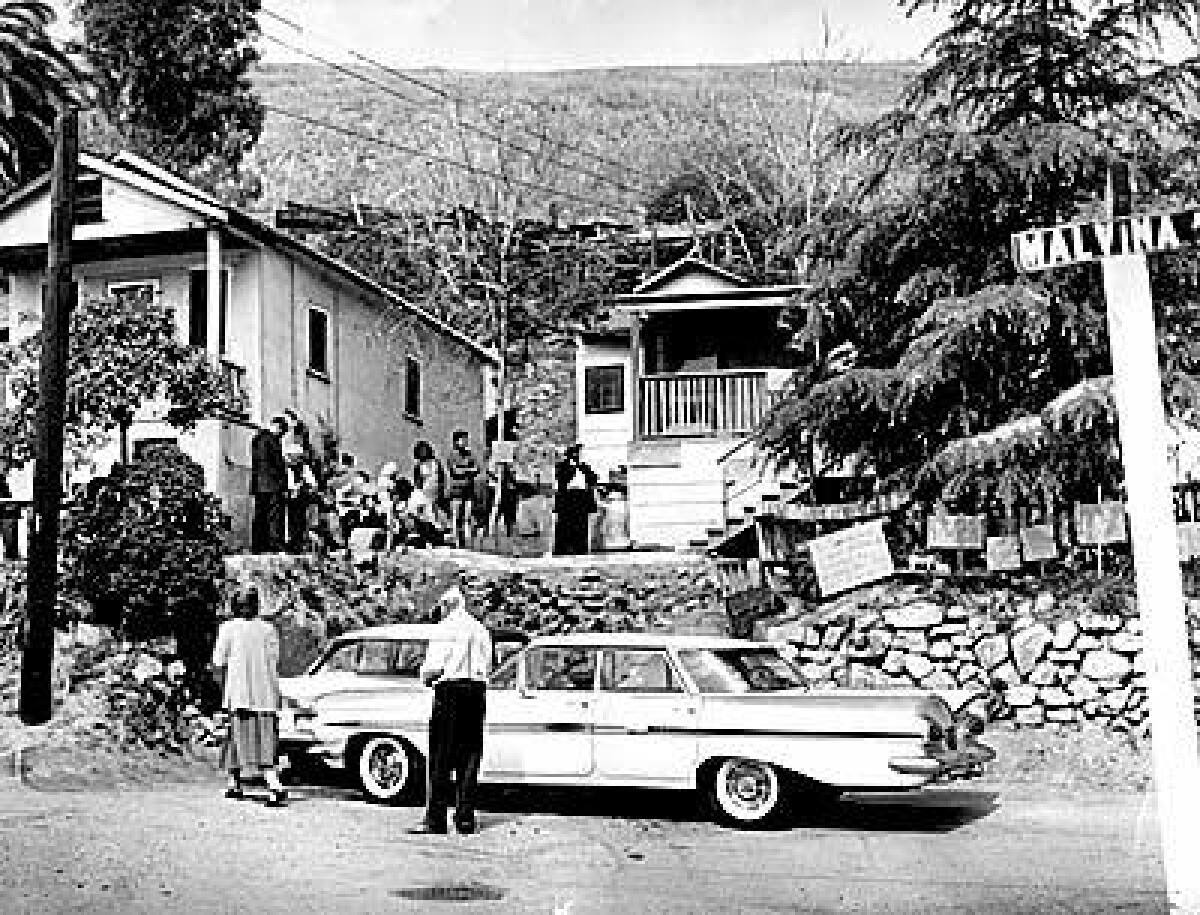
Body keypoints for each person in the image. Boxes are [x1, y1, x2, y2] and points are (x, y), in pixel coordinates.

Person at [410, 585, 492, 835]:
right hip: (476, 693)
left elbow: (433, 668)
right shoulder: (481, 630)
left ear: (447, 605)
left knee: (440, 757)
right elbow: (488, 665)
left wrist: (425, 677)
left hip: (450, 691)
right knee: (470, 756)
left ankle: (435, 818)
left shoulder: (445, 629)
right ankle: (465, 817)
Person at [210, 586, 287, 808]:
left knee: (237, 736)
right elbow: (275, 659)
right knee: (263, 739)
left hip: (240, 693)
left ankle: (270, 783)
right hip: (265, 694)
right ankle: (242, 782)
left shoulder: (228, 629)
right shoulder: (268, 629)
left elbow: (218, 660)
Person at [250, 416, 288, 553]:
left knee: (260, 515)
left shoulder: (257, 439)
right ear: (278, 427)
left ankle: (258, 545)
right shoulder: (272, 440)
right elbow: (277, 464)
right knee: (274, 515)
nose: (282, 436)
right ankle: (274, 543)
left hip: (259, 484)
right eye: (283, 432)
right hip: (272, 484)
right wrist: (284, 483)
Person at [553, 443, 598, 556]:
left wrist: (582, 468)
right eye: (575, 453)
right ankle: (563, 549)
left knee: (582, 524)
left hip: (582, 497)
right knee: (565, 524)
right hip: (568, 497)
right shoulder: (562, 466)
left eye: (578, 453)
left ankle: (580, 548)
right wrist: (573, 466)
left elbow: (593, 479)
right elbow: (562, 478)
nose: (577, 456)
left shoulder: (584, 467)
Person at [446, 430, 481, 549]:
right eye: (463, 439)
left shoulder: (469, 454)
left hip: (469, 490)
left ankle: (466, 544)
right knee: (457, 518)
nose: (465, 441)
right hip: (456, 490)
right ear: (456, 441)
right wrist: (468, 470)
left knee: (467, 516)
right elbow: (455, 471)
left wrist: (465, 471)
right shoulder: (452, 455)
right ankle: (456, 543)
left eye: (466, 439)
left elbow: (477, 469)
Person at [412, 440, 447, 531]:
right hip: (425, 494)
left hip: (437, 493)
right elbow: (417, 482)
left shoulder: (436, 463)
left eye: (425, 449)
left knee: (438, 514)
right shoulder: (418, 466)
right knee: (428, 515)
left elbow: (442, 477)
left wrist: (442, 490)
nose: (423, 452)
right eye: (421, 450)